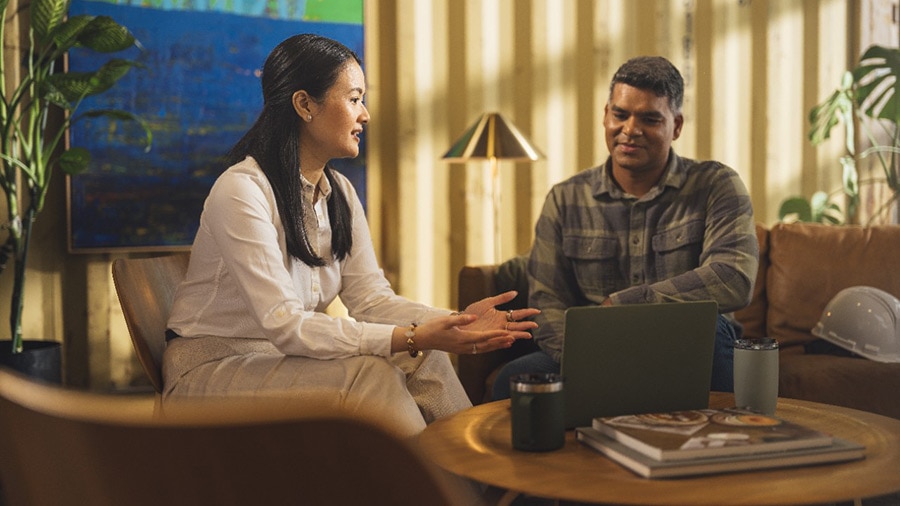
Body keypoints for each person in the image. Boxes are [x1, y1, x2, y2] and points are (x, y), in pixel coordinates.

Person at [162, 33, 539, 437]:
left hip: (282, 361)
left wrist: (453, 323)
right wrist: (411, 335)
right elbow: (287, 325)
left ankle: (478, 476)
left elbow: (371, 299)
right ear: (305, 104)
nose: (366, 115)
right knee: (371, 375)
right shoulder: (241, 191)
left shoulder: (338, 191)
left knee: (425, 355)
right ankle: (441, 490)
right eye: (355, 98)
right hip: (211, 372)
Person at [492, 55, 758, 400]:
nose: (630, 130)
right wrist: (584, 358)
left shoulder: (717, 185)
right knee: (513, 380)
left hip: (693, 347)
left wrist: (626, 305)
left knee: (715, 334)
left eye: (649, 119)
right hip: (594, 348)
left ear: (676, 126)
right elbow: (547, 301)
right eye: (620, 114)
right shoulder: (565, 198)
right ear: (606, 115)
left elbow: (733, 279)